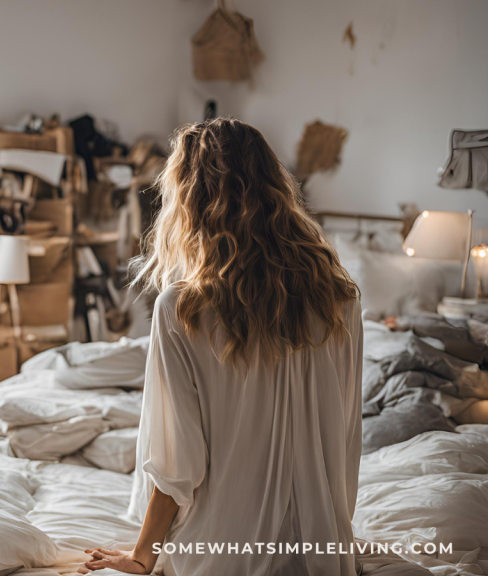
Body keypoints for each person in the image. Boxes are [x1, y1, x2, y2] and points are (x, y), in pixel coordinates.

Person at [83, 119, 363, 575]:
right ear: (276, 188)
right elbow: (346, 439)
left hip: (221, 555)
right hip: (321, 550)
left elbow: (177, 465)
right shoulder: (340, 300)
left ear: (190, 200)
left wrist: (142, 557)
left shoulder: (183, 308)